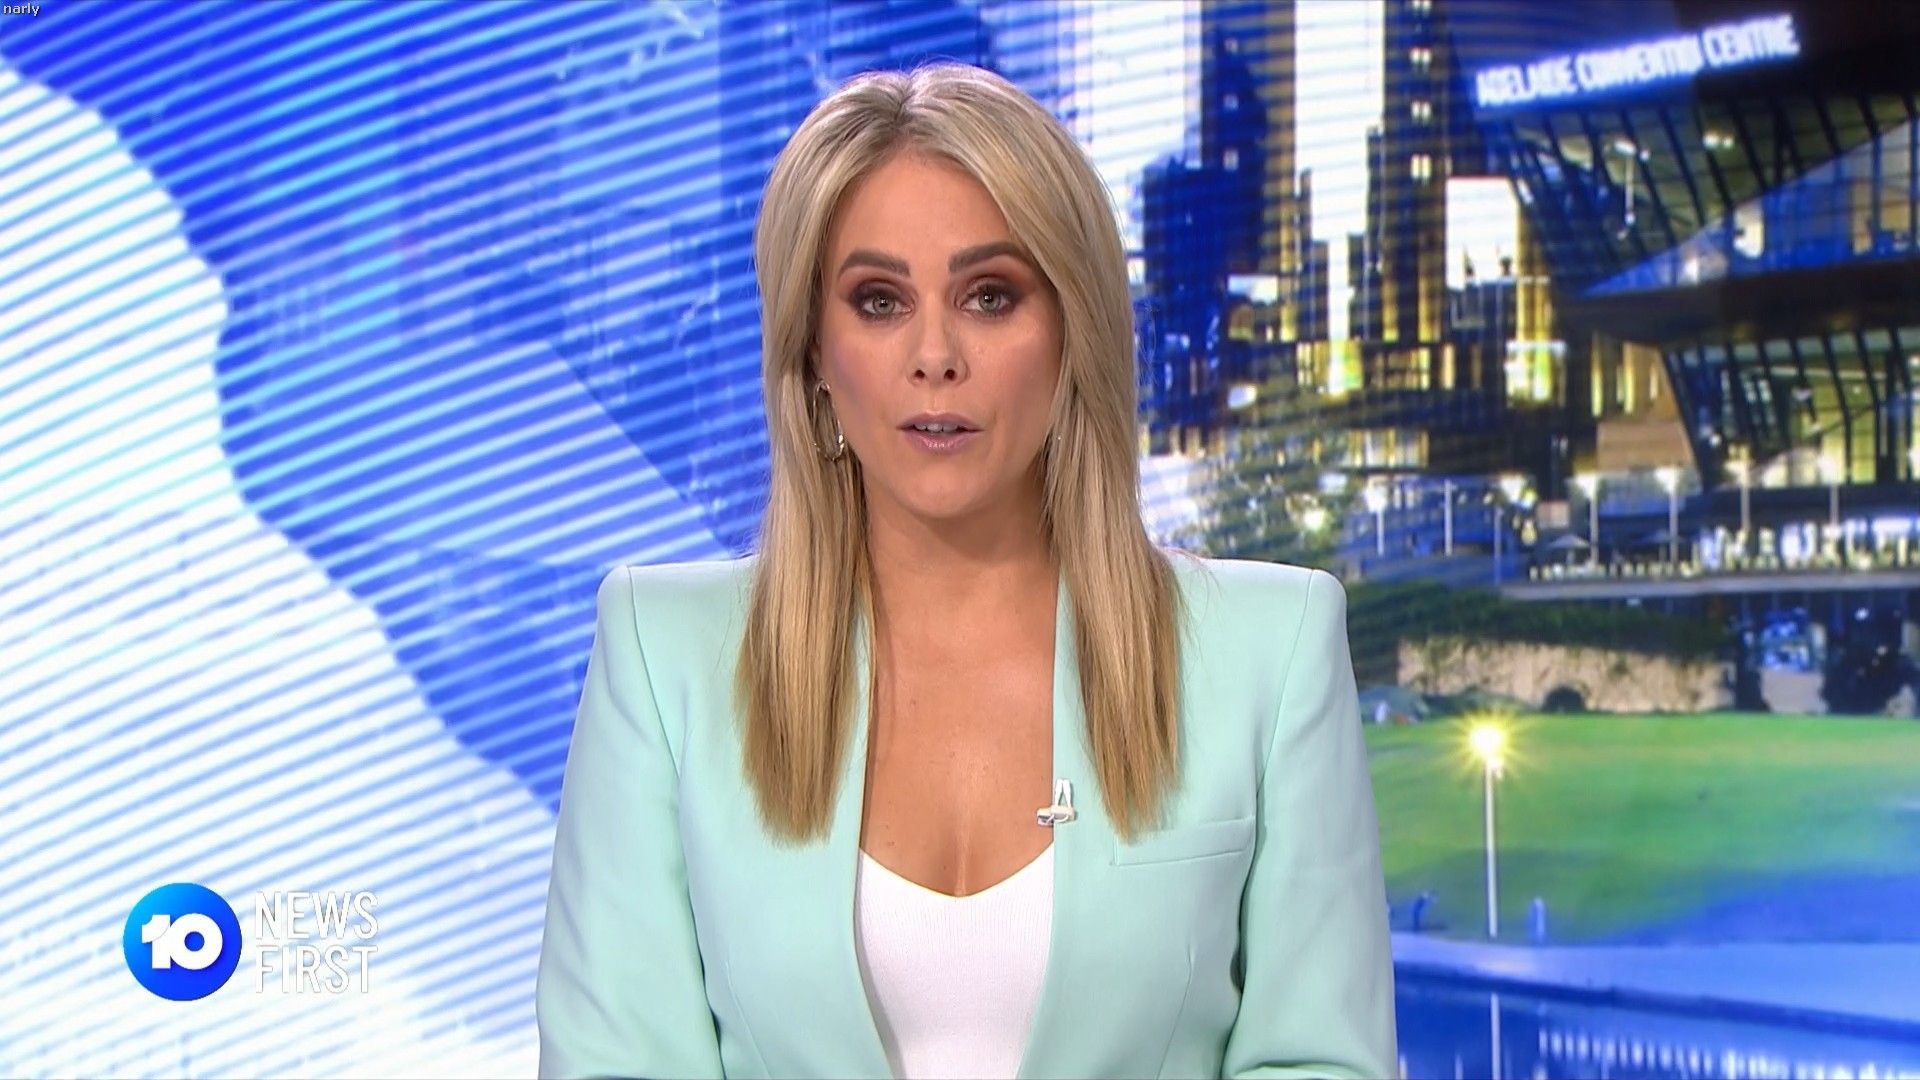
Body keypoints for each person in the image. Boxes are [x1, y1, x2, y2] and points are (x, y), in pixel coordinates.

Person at [535, 61, 1397, 1080]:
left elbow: (1322, 1061)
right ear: (813, 353)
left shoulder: (1269, 650)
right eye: (878, 300)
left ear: (1072, 331)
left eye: (990, 297)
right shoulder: (664, 656)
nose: (935, 354)